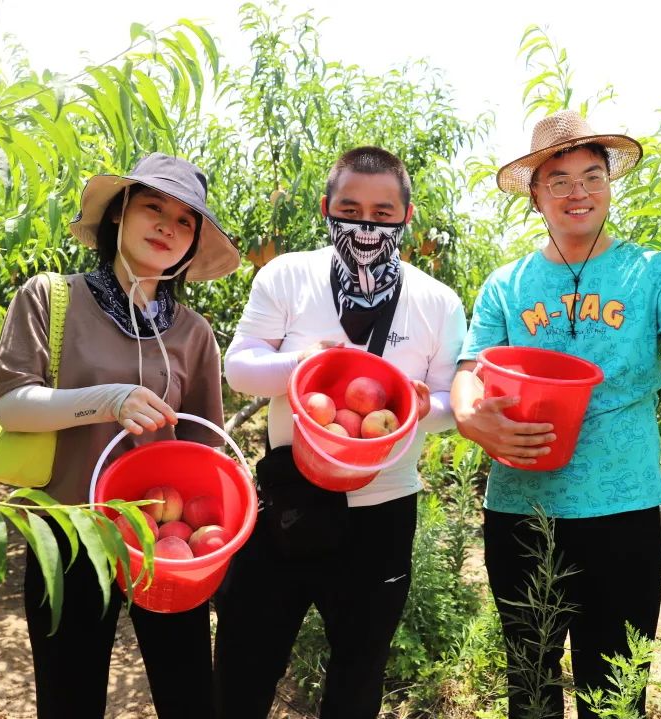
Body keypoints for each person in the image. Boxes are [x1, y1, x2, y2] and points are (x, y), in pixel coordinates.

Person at [450, 111, 661, 718]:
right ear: (535, 195)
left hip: (621, 511)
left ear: (608, 185)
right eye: (559, 180)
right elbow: (471, 369)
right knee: (530, 687)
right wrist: (470, 415)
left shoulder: (649, 272)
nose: (577, 192)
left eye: (592, 176)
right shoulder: (506, 285)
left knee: (615, 694)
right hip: (522, 511)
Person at [0, 153, 241, 718]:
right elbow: (13, 405)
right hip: (69, 531)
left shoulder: (193, 334)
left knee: (188, 694)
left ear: (193, 242)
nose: (168, 226)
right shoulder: (51, 298)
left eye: (185, 220)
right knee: (69, 697)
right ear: (119, 213)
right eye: (153, 207)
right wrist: (107, 400)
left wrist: (219, 527)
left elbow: (205, 448)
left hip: (163, 537)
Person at [212, 146, 466, 718]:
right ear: (327, 208)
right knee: (244, 661)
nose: (366, 225)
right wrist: (301, 364)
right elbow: (240, 368)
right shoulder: (288, 275)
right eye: (350, 210)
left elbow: (450, 400)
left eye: (383, 213)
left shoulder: (437, 302)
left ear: (406, 216)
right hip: (286, 499)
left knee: (359, 670)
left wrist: (419, 408)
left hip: (382, 510)